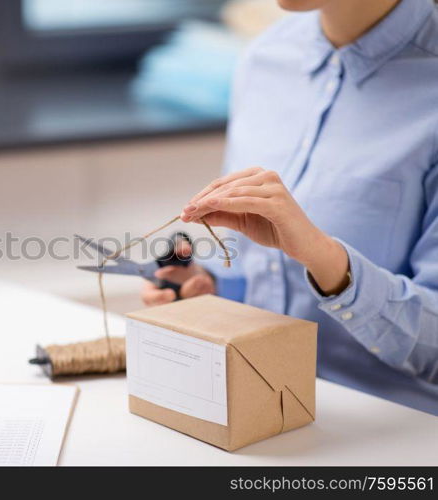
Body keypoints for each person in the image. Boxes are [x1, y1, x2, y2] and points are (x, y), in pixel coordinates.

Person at [142, 0, 438, 415]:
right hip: (263, 413)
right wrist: (211, 289)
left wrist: (326, 260)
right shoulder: (265, 58)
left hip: (393, 438)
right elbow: (253, 270)